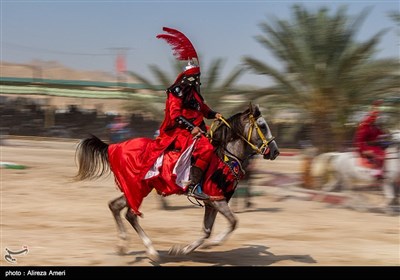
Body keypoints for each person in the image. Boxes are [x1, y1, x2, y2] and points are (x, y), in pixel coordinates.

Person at [156, 27, 222, 200]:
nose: (199, 79)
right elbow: (176, 115)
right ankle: (193, 186)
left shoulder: (194, 92)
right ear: (191, 77)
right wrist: (192, 128)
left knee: (219, 141)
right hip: (179, 132)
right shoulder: (177, 91)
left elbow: (203, 109)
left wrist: (214, 114)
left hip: (196, 128)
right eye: (197, 76)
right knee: (206, 148)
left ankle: (209, 181)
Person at [353, 100, 387, 179]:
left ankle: (383, 170)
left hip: (375, 146)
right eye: (373, 119)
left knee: (385, 154)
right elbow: (359, 141)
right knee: (377, 155)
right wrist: (363, 150)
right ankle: (375, 172)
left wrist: (387, 135)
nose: (375, 120)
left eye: (375, 119)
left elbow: (381, 133)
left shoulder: (375, 127)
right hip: (364, 147)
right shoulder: (364, 128)